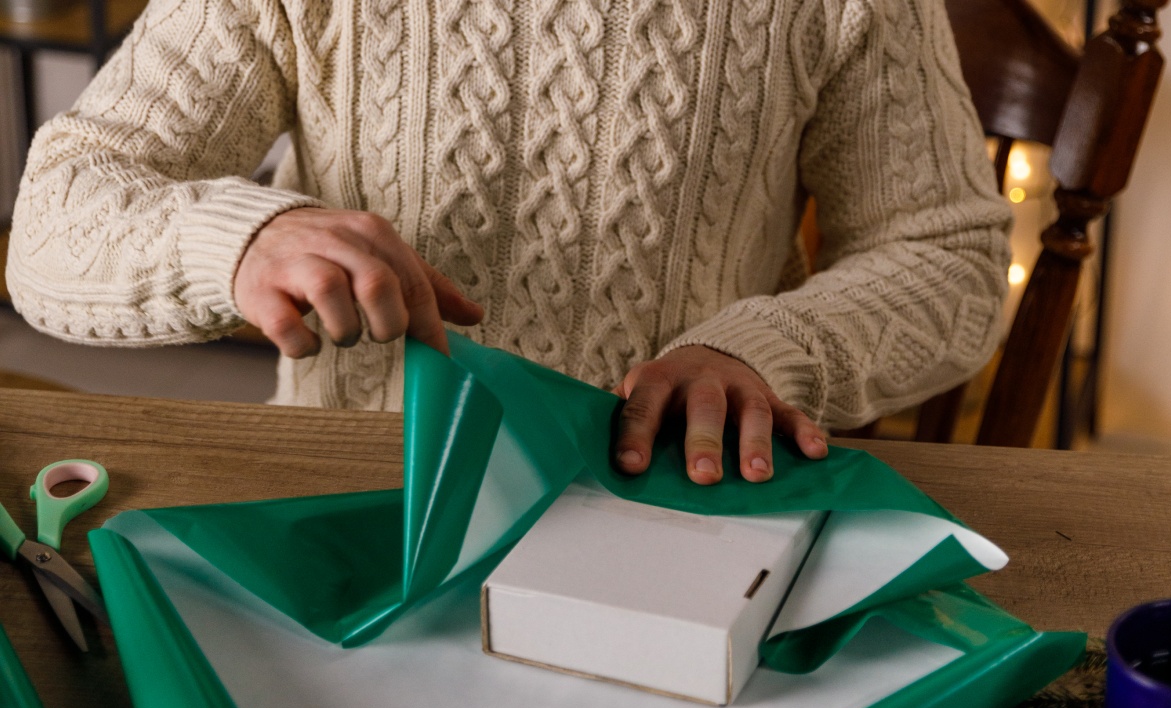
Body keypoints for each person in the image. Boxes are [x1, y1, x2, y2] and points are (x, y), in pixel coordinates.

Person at [6, 0, 1011, 486]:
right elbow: (55, 214)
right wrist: (241, 234)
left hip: (674, 496)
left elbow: (944, 255)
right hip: (356, 494)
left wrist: (766, 350)